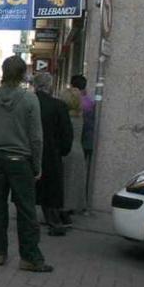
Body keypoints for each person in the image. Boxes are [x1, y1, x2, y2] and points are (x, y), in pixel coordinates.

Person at [0, 56, 52, 273]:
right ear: (23, 74)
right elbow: (37, 137)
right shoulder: (30, 100)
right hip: (21, 161)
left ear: (2, 71)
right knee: (26, 210)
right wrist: (37, 165)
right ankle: (29, 258)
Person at [32, 73, 73, 236]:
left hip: (29, 153)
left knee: (29, 189)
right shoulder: (59, 106)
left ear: (35, 85)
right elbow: (66, 134)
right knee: (51, 190)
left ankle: (28, 222)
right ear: (49, 86)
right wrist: (61, 150)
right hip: (51, 154)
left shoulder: (27, 102)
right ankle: (54, 222)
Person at [60, 78, 88, 223]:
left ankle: (62, 213)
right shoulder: (80, 115)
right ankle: (69, 211)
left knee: (64, 183)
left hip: (65, 152)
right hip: (78, 150)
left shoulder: (65, 117)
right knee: (74, 184)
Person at [72, 75, 95, 213]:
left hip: (76, 143)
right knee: (82, 175)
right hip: (87, 143)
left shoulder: (74, 101)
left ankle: (74, 203)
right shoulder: (90, 102)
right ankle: (82, 204)